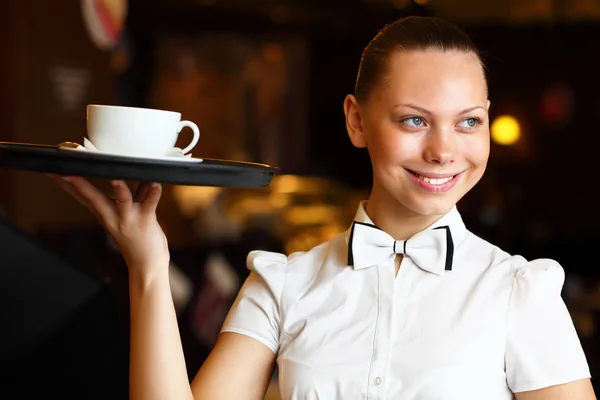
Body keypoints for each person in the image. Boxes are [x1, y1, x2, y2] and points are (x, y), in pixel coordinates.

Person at [48, 16, 595, 400]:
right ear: (356, 120)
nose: (444, 150)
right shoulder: (284, 284)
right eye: (414, 120)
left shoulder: (520, 293)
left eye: (468, 121)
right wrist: (148, 263)